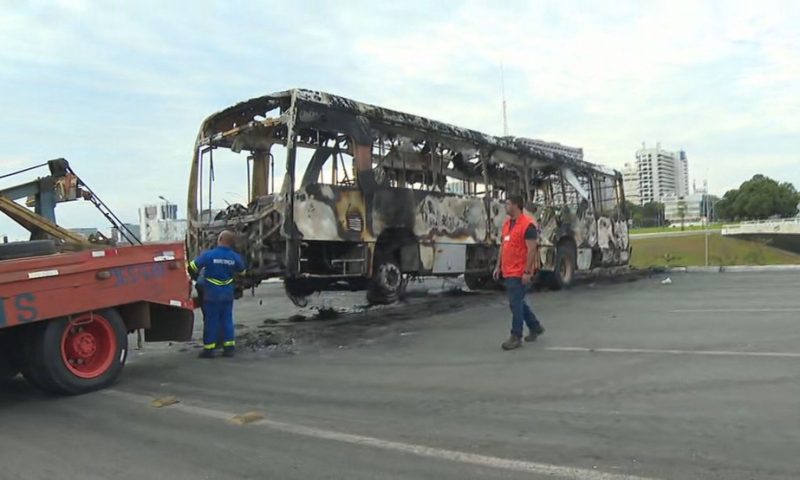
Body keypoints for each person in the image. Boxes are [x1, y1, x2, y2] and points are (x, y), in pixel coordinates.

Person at [493, 195, 545, 351]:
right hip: (508, 270)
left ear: (516, 205)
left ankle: (516, 336)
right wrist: (498, 266)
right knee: (518, 302)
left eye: (508, 204)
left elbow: (531, 250)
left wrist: (527, 272)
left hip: (519, 271)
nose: (505, 207)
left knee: (515, 303)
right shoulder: (508, 224)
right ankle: (535, 326)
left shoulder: (528, 225)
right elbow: (503, 246)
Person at [188, 230, 246, 358]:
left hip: (211, 294)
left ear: (219, 239)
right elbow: (242, 272)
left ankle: (209, 350)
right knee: (227, 320)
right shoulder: (234, 257)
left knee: (211, 321)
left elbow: (192, 266)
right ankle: (229, 348)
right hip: (227, 294)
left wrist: (197, 277)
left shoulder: (209, 255)